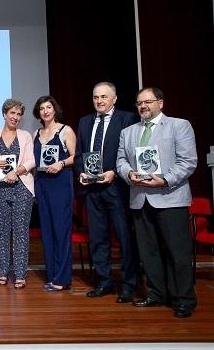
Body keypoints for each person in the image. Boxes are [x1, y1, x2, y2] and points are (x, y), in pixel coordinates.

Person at [117, 87, 197, 318]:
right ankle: (156, 293)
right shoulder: (129, 132)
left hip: (170, 198)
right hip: (140, 198)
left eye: (148, 102)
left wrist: (164, 180)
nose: (143, 106)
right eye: (139, 103)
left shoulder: (179, 125)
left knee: (177, 253)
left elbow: (188, 161)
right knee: (148, 252)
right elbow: (121, 160)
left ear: (160, 103)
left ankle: (183, 299)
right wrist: (128, 173)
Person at [75, 82, 138, 302]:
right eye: (95, 97)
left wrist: (114, 172)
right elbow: (79, 154)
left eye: (104, 97)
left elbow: (132, 153)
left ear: (114, 98)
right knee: (98, 239)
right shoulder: (85, 122)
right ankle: (104, 282)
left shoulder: (127, 119)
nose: (99, 101)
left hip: (117, 188)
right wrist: (82, 172)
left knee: (124, 238)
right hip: (92, 191)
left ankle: (129, 284)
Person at [0, 99, 35, 289]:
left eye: (18, 114)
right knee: (3, 231)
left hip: (22, 188)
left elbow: (31, 160)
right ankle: (3, 272)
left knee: (21, 232)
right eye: (12, 113)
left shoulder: (25, 136)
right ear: (4, 114)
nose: (15, 117)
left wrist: (17, 171)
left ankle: (20, 274)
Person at [32, 95, 76, 292]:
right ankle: (52, 275)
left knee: (61, 230)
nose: (45, 111)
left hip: (60, 184)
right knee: (47, 231)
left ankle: (63, 278)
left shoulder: (66, 130)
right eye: (42, 108)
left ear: (55, 109)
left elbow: (76, 157)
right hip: (42, 184)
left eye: (48, 107)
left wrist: (61, 163)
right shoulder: (36, 133)